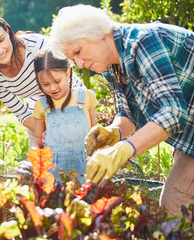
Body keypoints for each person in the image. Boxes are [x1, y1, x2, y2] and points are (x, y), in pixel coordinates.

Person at [49, 4, 194, 218]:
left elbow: (173, 112)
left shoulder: (142, 42)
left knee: (175, 205)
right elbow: (128, 115)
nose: (79, 64)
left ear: (98, 33)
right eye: (73, 58)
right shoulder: (113, 64)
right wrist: (114, 132)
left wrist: (121, 150)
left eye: (78, 52)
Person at [0, 11, 85, 145]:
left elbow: (67, 79)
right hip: (39, 114)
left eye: (1, 40)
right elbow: (22, 113)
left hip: (73, 99)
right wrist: (49, 132)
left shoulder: (37, 46)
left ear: (8, 32)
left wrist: (69, 122)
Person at [32, 48, 97, 182]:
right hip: (54, 171)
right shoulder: (41, 105)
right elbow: (38, 139)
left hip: (86, 166)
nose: (53, 88)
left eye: (57, 81)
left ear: (68, 72)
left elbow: (93, 132)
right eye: (45, 84)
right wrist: (33, 155)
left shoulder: (86, 97)